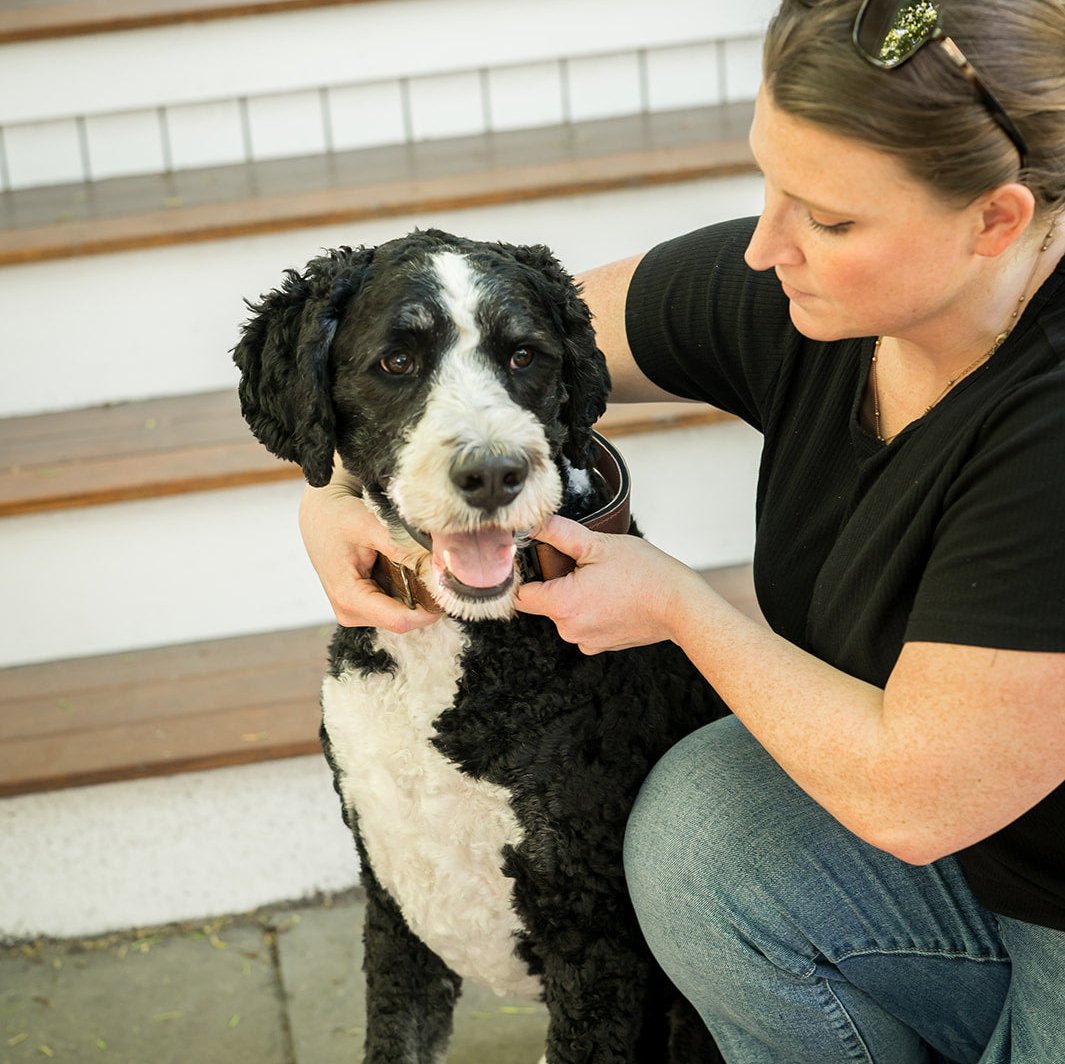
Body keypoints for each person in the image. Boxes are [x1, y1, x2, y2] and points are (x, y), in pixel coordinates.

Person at [297, 0, 1065, 1059]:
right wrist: (335, 489)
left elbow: (915, 793)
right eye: (771, 185)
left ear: (997, 220)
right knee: (705, 825)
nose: (766, 243)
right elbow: (513, 333)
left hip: (1042, 890)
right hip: (975, 864)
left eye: (829, 218)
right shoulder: (805, 294)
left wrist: (676, 604)